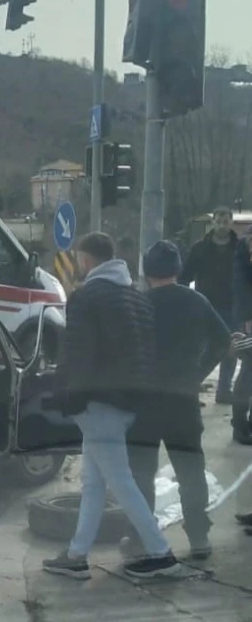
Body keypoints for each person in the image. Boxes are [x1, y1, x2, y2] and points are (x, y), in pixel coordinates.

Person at [43, 233, 182, 581]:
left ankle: (160, 552)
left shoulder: (86, 297)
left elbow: (78, 352)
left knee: (119, 481)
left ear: (87, 259)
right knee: (93, 482)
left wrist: (68, 396)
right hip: (127, 400)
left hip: (98, 401)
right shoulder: (135, 296)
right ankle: (76, 555)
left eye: (79, 258)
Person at [123, 240, 230, 561]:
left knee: (141, 472)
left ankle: (142, 538)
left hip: (144, 403)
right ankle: (199, 537)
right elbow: (223, 341)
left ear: (146, 271)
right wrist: (199, 373)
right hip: (183, 400)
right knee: (191, 470)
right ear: (178, 269)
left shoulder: (138, 304)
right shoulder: (197, 301)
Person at [179, 206, 239, 404]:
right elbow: (185, 275)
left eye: (226, 221)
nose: (222, 226)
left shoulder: (239, 248)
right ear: (213, 222)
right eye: (219, 221)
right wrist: (185, 300)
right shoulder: (200, 248)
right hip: (205, 305)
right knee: (203, 349)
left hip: (232, 306)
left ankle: (224, 390)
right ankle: (191, 387)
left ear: (231, 223)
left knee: (231, 348)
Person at [232, 227, 252, 444]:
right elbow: (242, 287)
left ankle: (242, 424)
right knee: (248, 371)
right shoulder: (246, 245)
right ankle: (239, 425)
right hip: (249, 317)